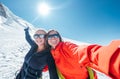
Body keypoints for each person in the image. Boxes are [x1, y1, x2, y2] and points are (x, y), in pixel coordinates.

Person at [46, 29, 120, 79]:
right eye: (50, 37)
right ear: (47, 40)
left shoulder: (66, 46)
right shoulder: (50, 54)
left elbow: (82, 52)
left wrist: (113, 59)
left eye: (55, 36)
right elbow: (44, 66)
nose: (53, 38)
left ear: (59, 38)